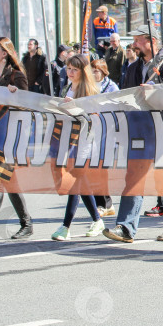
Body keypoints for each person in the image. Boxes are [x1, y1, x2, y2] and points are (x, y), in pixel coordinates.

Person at [103, 24, 163, 243]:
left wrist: (157, 92)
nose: (134, 44)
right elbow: (125, 95)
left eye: (139, 40)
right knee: (134, 178)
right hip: (139, 128)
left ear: (152, 41)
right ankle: (126, 227)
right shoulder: (132, 67)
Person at [0, 37, 33, 242]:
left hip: (9, 135)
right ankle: (26, 223)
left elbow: (28, 103)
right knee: (9, 181)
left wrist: (16, 95)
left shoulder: (16, 75)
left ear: (5, 53)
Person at [51, 55, 105, 240]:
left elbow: (94, 118)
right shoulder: (67, 87)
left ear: (83, 71)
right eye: (68, 69)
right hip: (69, 139)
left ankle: (65, 226)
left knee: (76, 179)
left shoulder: (88, 90)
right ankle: (97, 220)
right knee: (80, 182)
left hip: (85, 140)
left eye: (74, 69)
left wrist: (73, 109)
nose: (70, 73)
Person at [90, 59, 118, 217]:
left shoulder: (111, 87)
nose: (94, 74)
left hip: (106, 131)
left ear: (103, 71)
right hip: (91, 131)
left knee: (100, 168)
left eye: (96, 71)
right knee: (92, 168)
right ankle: (102, 202)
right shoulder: (88, 86)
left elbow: (116, 106)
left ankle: (104, 203)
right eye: (92, 70)